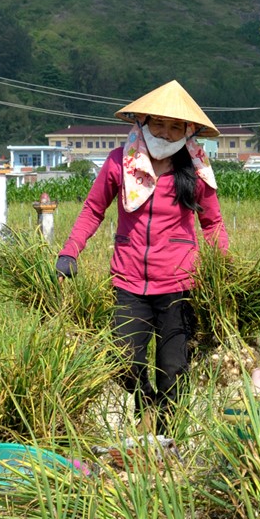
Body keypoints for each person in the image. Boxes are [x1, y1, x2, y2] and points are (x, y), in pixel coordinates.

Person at [55, 80, 229, 433]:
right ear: (143, 122)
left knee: (175, 371)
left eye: (175, 126)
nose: (165, 132)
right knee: (122, 362)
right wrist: (70, 251)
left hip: (180, 284)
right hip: (128, 281)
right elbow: (93, 209)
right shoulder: (121, 162)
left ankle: (166, 439)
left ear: (188, 130)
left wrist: (224, 273)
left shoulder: (196, 169)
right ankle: (145, 400)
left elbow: (212, 223)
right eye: (158, 124)